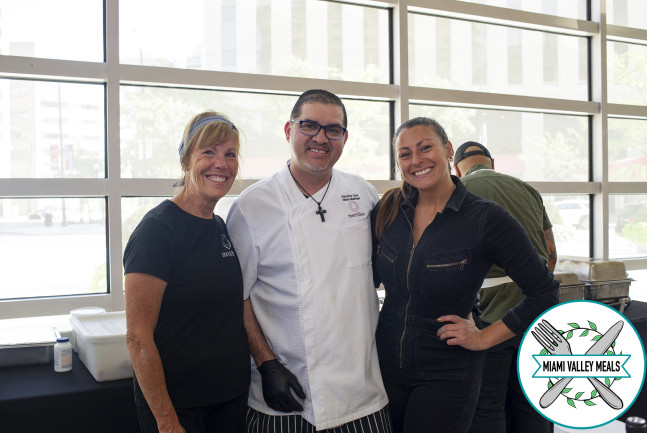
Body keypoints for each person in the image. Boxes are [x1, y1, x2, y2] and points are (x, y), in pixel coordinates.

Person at [371, 117, 559, 433]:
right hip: (384, 367)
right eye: (405, 154)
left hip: (446, 374)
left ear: (448, 150)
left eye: (425, 147)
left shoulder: (485, 218)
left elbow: (544, 292)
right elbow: (361, 277)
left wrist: (484, 336)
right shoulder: (389, 209)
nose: (416, 160)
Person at [226, 89, 391, 433]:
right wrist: (266, 363)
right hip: (284, 396)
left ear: (345, 138)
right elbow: (236, 296)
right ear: (289, 130)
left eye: (333, 129)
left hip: (362, 394)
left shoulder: (363, 194)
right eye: (309, 125)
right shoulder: (251, 206)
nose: (320, 138)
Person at [124, 112, 251, 433]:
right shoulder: (157, 231)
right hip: (178, 408)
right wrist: (167, 421)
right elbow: (138, 338)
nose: (221, 163)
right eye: (208, 151)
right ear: (185, 160)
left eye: (230, 154)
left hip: (229, 400)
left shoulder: (220, 227)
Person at [454, 141, 557, 433]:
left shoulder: (459, 191)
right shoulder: (528, 190)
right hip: (538, 316)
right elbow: (551, 254)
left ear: (457, 170)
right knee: (535, 403)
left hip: (491, 317)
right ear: (492, 163)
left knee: (487, 405)